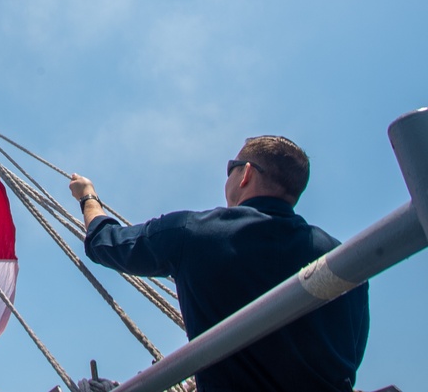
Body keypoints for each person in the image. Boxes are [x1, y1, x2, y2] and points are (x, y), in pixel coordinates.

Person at [69, 135, 370, 391]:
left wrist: (88, 197)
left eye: (231, 168)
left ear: (247, 173)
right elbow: (350, 358)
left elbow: (105, 242)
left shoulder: (193, 233)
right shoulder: (344, 261)